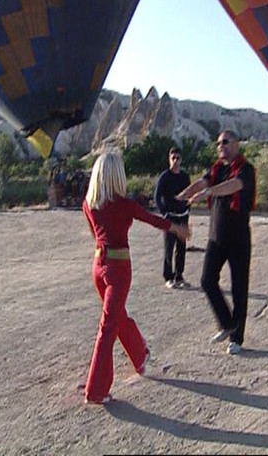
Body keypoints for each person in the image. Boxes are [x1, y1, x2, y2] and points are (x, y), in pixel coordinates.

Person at [81, 152, 189, 404]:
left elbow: (94, 235)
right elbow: (153, 220)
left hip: (98, 265)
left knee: (116, 316)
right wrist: (177, 228)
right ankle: (96, 391)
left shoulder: (88, 203)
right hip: (119, 269)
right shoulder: (124, 204)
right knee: (108, 327)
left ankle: (139, 355)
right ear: (118, 176)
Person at [176, 130, 256, 356]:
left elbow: (234, 185)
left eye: (225, 142)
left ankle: (236, 338)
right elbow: (202, 182)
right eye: (219, 143)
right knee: (206, 280)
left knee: (239, 288)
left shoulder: (245, 169)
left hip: (239, 238)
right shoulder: (216, 168)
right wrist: (184, 193)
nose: (221, 146)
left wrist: (209, 192)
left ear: (236, 144)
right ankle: (227, 322)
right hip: (216, 238)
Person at [154, 147, 191, 289]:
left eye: (178, 158)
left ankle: (179, 276)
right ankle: (168, 277)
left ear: (181, 160)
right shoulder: (164, 177)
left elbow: (189, 194)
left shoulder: (185, 177)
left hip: (183, 217)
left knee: (181, 248)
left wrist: (188, 210)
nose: (175, 161)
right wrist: (164, 214)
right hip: (170, 218)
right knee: (169, 247)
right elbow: (157, 197)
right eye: (173, 158)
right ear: (169, 159)